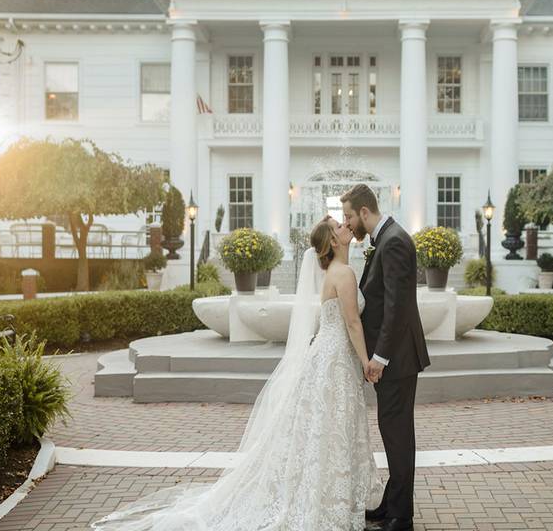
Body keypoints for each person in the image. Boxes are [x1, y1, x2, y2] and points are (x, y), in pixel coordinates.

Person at [89, 217, 382, 530]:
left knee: (324, 428)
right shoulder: (344, 274)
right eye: (339, 226)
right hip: (334, 358)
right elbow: (352, 323)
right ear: (333, 242)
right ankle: (329, 499)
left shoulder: (331, 273)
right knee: (332, 425)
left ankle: (327, 493)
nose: (344, 227)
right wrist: (366, 361)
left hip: (327, 355)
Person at [341, 184, 430, 531]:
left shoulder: (393, 241)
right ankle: (391, 505)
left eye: (349, 215)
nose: (347, 222)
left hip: (398, 359)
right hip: (397, 357)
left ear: (365, 212)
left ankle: (401, 517)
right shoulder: (386, 239)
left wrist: (379, 357)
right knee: (393, 431)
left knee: (398, 434)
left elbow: (396, 307)